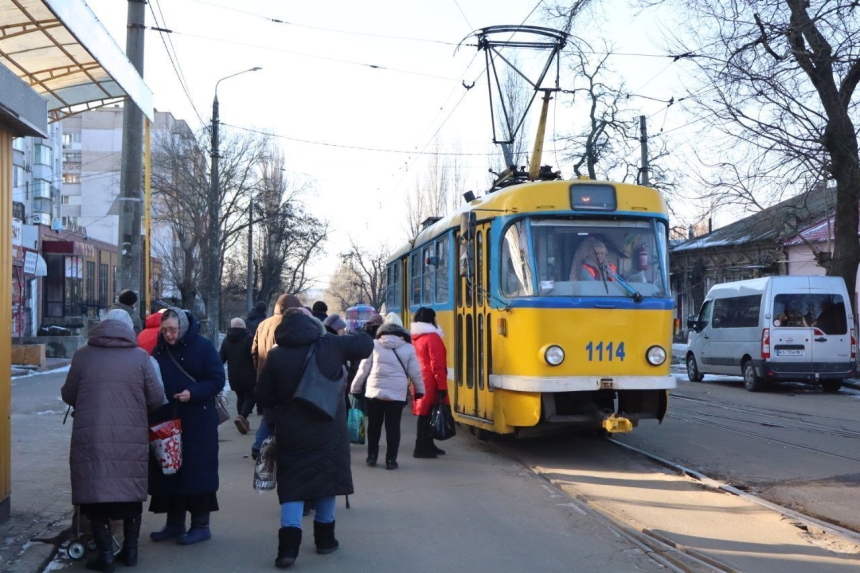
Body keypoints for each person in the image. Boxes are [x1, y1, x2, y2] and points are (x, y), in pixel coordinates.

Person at [255, 308, 373, 568]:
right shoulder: (330, 345)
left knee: (293, 488)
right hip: (329, 430)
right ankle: (325, 541)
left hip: (292, 432)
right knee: (326, 481)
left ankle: (287, 549)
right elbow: (365, 345)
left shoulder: (276, 356)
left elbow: (262, 397)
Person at [61, 309, 165, 571]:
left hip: (92, 435)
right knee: (130, 491)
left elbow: (68, 394)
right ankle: (130, 551)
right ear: (129, 329)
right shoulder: (141, 357)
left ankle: (105, 554)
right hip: (130, 435)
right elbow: (155, 398)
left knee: (94, 492)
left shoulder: (83, 356)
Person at [148, 307, 226, 546]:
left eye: (173, 330)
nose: (169, 335)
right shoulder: (159, 348)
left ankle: (201, 526)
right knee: (170, 472)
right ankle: (174, 524)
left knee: (197, 472)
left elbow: (217, 379)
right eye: (165, 330)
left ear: (183, 326)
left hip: (197, 422)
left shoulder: (203, 347)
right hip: (167, 420)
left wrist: (193, 392)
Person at [350, 317, 424, 470]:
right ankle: (391, 460)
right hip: (397, 394)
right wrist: (420, 390)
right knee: (393, 427)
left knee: (374, 426)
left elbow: (363, 369)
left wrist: (355, 389)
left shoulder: (374, 345)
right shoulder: (408, 348)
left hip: (374, 393)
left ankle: (372, 456)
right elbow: (415, 373)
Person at [251, 294, 303, 459]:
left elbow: (254, 351)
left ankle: (259, 445)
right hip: (283, 376)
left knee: (269, 414)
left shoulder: (263, 324)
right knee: (282, 415)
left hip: (264, 375)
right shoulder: (290, 324)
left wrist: (259, 370)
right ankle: (272, 448)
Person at [410, 307, 449, 458]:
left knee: (424, 414)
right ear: (431, 319)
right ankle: (420, 447)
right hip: (430, 381)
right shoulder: (433, 338)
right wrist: (442, 386)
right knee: (427, 414)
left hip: (419, 378)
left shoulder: (416, 337)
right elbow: (437, 365)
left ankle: (428, 444)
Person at [220, 317, 257, 434]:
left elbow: (221, 358)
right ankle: (242, 417)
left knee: (240, 397)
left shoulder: (226, 340)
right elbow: (254, 356)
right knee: (251, 396)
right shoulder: (248, 339)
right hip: (249, 374)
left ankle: (242, 420)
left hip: (233, 375)